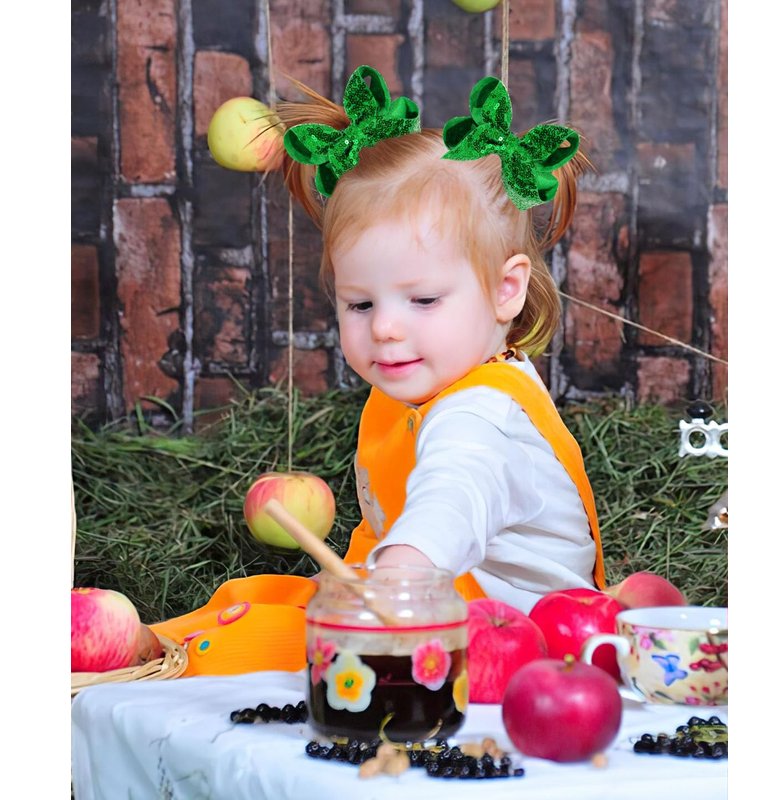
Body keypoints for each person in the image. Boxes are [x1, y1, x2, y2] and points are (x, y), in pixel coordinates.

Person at [151, 65, 604, 675]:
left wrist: (398, 574)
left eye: (423, 300)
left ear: (506, 290)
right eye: (360, 304)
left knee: (273, 639)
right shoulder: (445, 383)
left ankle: (166, 662)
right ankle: (160, 644)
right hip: (441, 607)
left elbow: (454, 497)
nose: (385, 327)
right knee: (265, 597)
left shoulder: (481, 415)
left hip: (508, 648)